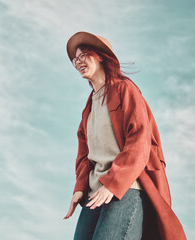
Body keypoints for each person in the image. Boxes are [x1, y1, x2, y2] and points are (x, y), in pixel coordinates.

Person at [62, 31, 187, 240]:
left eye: (84, 54)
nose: (78, 61)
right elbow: (85, 156)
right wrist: (79, 190)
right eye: (76, 59)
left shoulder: (125, 89)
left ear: (100, 56)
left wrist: (113, 182)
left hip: (127, 187)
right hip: (96, 193)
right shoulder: (89, 108)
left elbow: (139, 140)